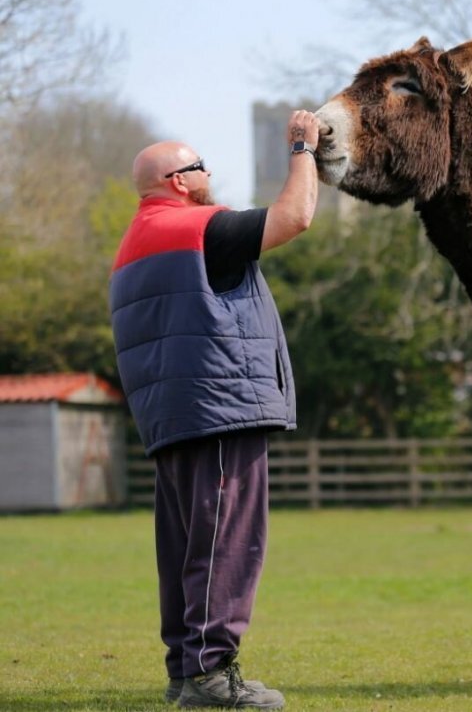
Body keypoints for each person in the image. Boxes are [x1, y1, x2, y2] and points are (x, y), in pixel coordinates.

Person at [109, 111, 321, 709]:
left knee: (183, 548)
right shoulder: (200, 228)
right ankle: (210, 675)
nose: (208, 173)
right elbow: (294, 217)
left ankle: (185, 672)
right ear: (179, 180)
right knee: (228, 542)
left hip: (170, 416)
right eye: (200, 165)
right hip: (219, 407)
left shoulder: (132, 245)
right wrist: (302, 149)